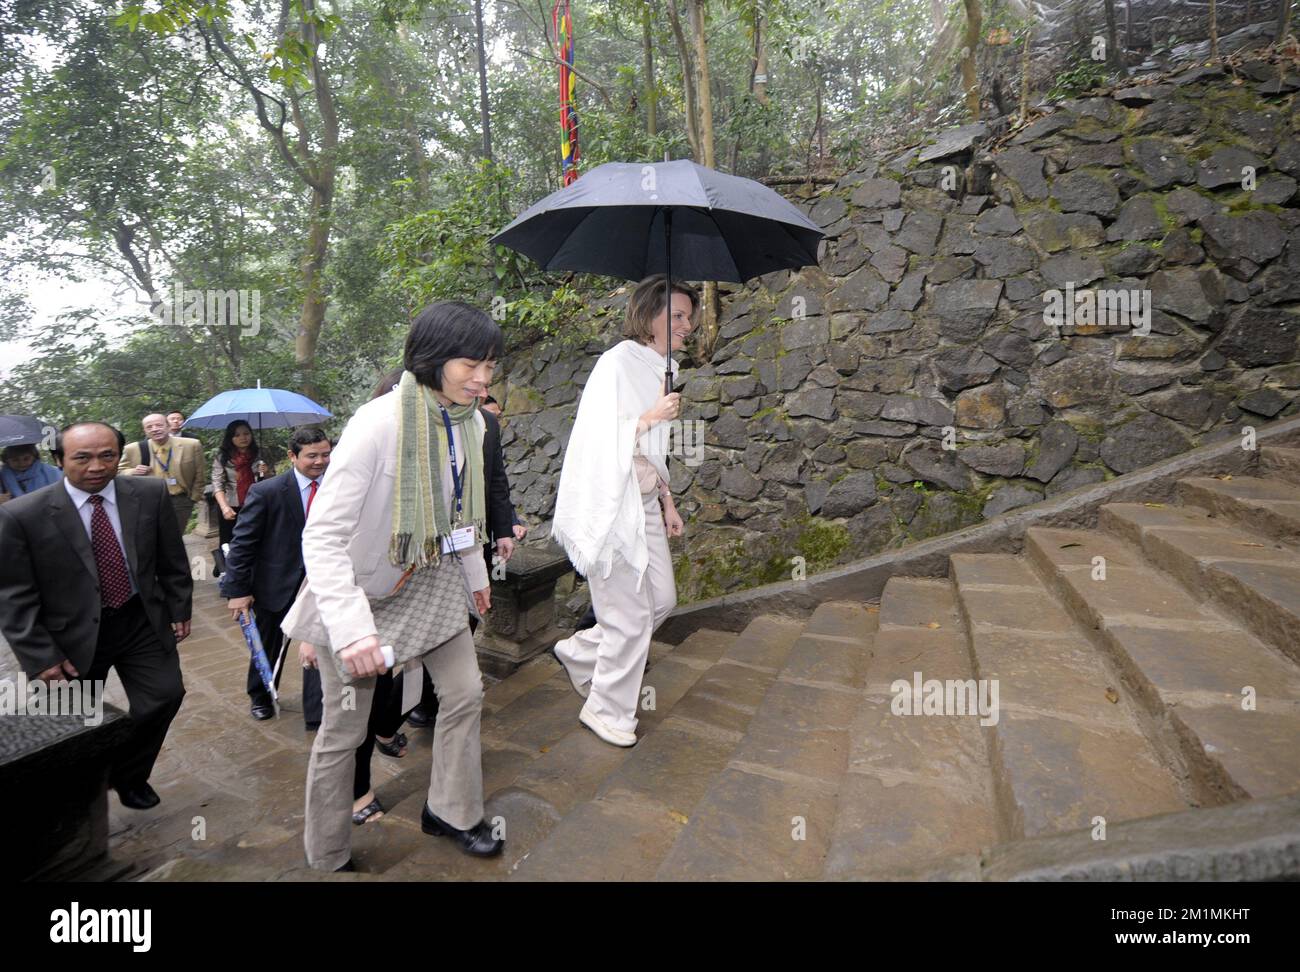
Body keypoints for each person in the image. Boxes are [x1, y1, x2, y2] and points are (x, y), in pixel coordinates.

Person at [284, 301, 504, 871]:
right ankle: (328, 849)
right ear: (432, 358)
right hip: (368, 593)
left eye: (490, 365)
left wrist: (477, 576)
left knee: (465, 693)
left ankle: (452, 811)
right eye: (470, 364)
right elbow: (323, 535)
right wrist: (352, 630)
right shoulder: (378, 422)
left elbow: (462, 513)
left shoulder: (473, 422)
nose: (482, 378)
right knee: (345, 728)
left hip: (434, 581)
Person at [0, 421, 191, 809]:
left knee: (164, 696)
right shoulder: (23, 515)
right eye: (82, 457)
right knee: (73, 722)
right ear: (59, 460)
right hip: (68, 635)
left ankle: (129, 775)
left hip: (139, 620)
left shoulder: (149, 493)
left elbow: (172, 558)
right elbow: (14, 594)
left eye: (107, 455)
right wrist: (40, 656)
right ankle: (77, 806)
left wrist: (179, 606)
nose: (96, 466)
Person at [550, 275, 692, 748]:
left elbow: (654, 451)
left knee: (663, 601)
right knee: (629, 619)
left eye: (689, 316)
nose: (687, 324)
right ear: (648, 316)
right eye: (676, 315)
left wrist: (668, 501)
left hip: (647, 502)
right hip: (613, 506)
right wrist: (652, 415)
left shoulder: (661, 366)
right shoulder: (616, 363)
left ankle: (582, 650)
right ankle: (606, 710)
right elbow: (596, 439)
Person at [220, 428, 329, 726]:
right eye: (312, 456)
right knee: (268, 643)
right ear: (292, 456)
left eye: (325, 454)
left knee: (319, 641)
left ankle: (317, 711)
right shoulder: (267, 491)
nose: (320, 462)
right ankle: (261, 694)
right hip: (276, 581)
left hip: (322, 582)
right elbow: (243, 543)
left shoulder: (339, 485)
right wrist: (237, 590)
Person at [119, 413, 205, 535]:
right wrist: (132, 471)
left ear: (168, 426)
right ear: (145, 430)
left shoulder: (191, 445)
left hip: (180, 500)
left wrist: (194, 497)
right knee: (152, 537)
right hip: (149, 501)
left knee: (176, 537)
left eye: (159, 425)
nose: (154, 429)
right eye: (149, 427)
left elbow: (199, 473)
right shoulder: (134, 449)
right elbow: (118, 471)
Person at [211, 420, 272, 548]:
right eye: (237, 435)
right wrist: (224, 507)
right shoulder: (223, 456)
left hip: (256, 503)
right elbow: (217, 483)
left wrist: (266, 473)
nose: (243, 438)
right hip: (232, 506)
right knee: (230, 543)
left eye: (246, 433)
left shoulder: (261, 453)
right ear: (230, 438)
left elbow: (273, 480)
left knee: (259, 540)